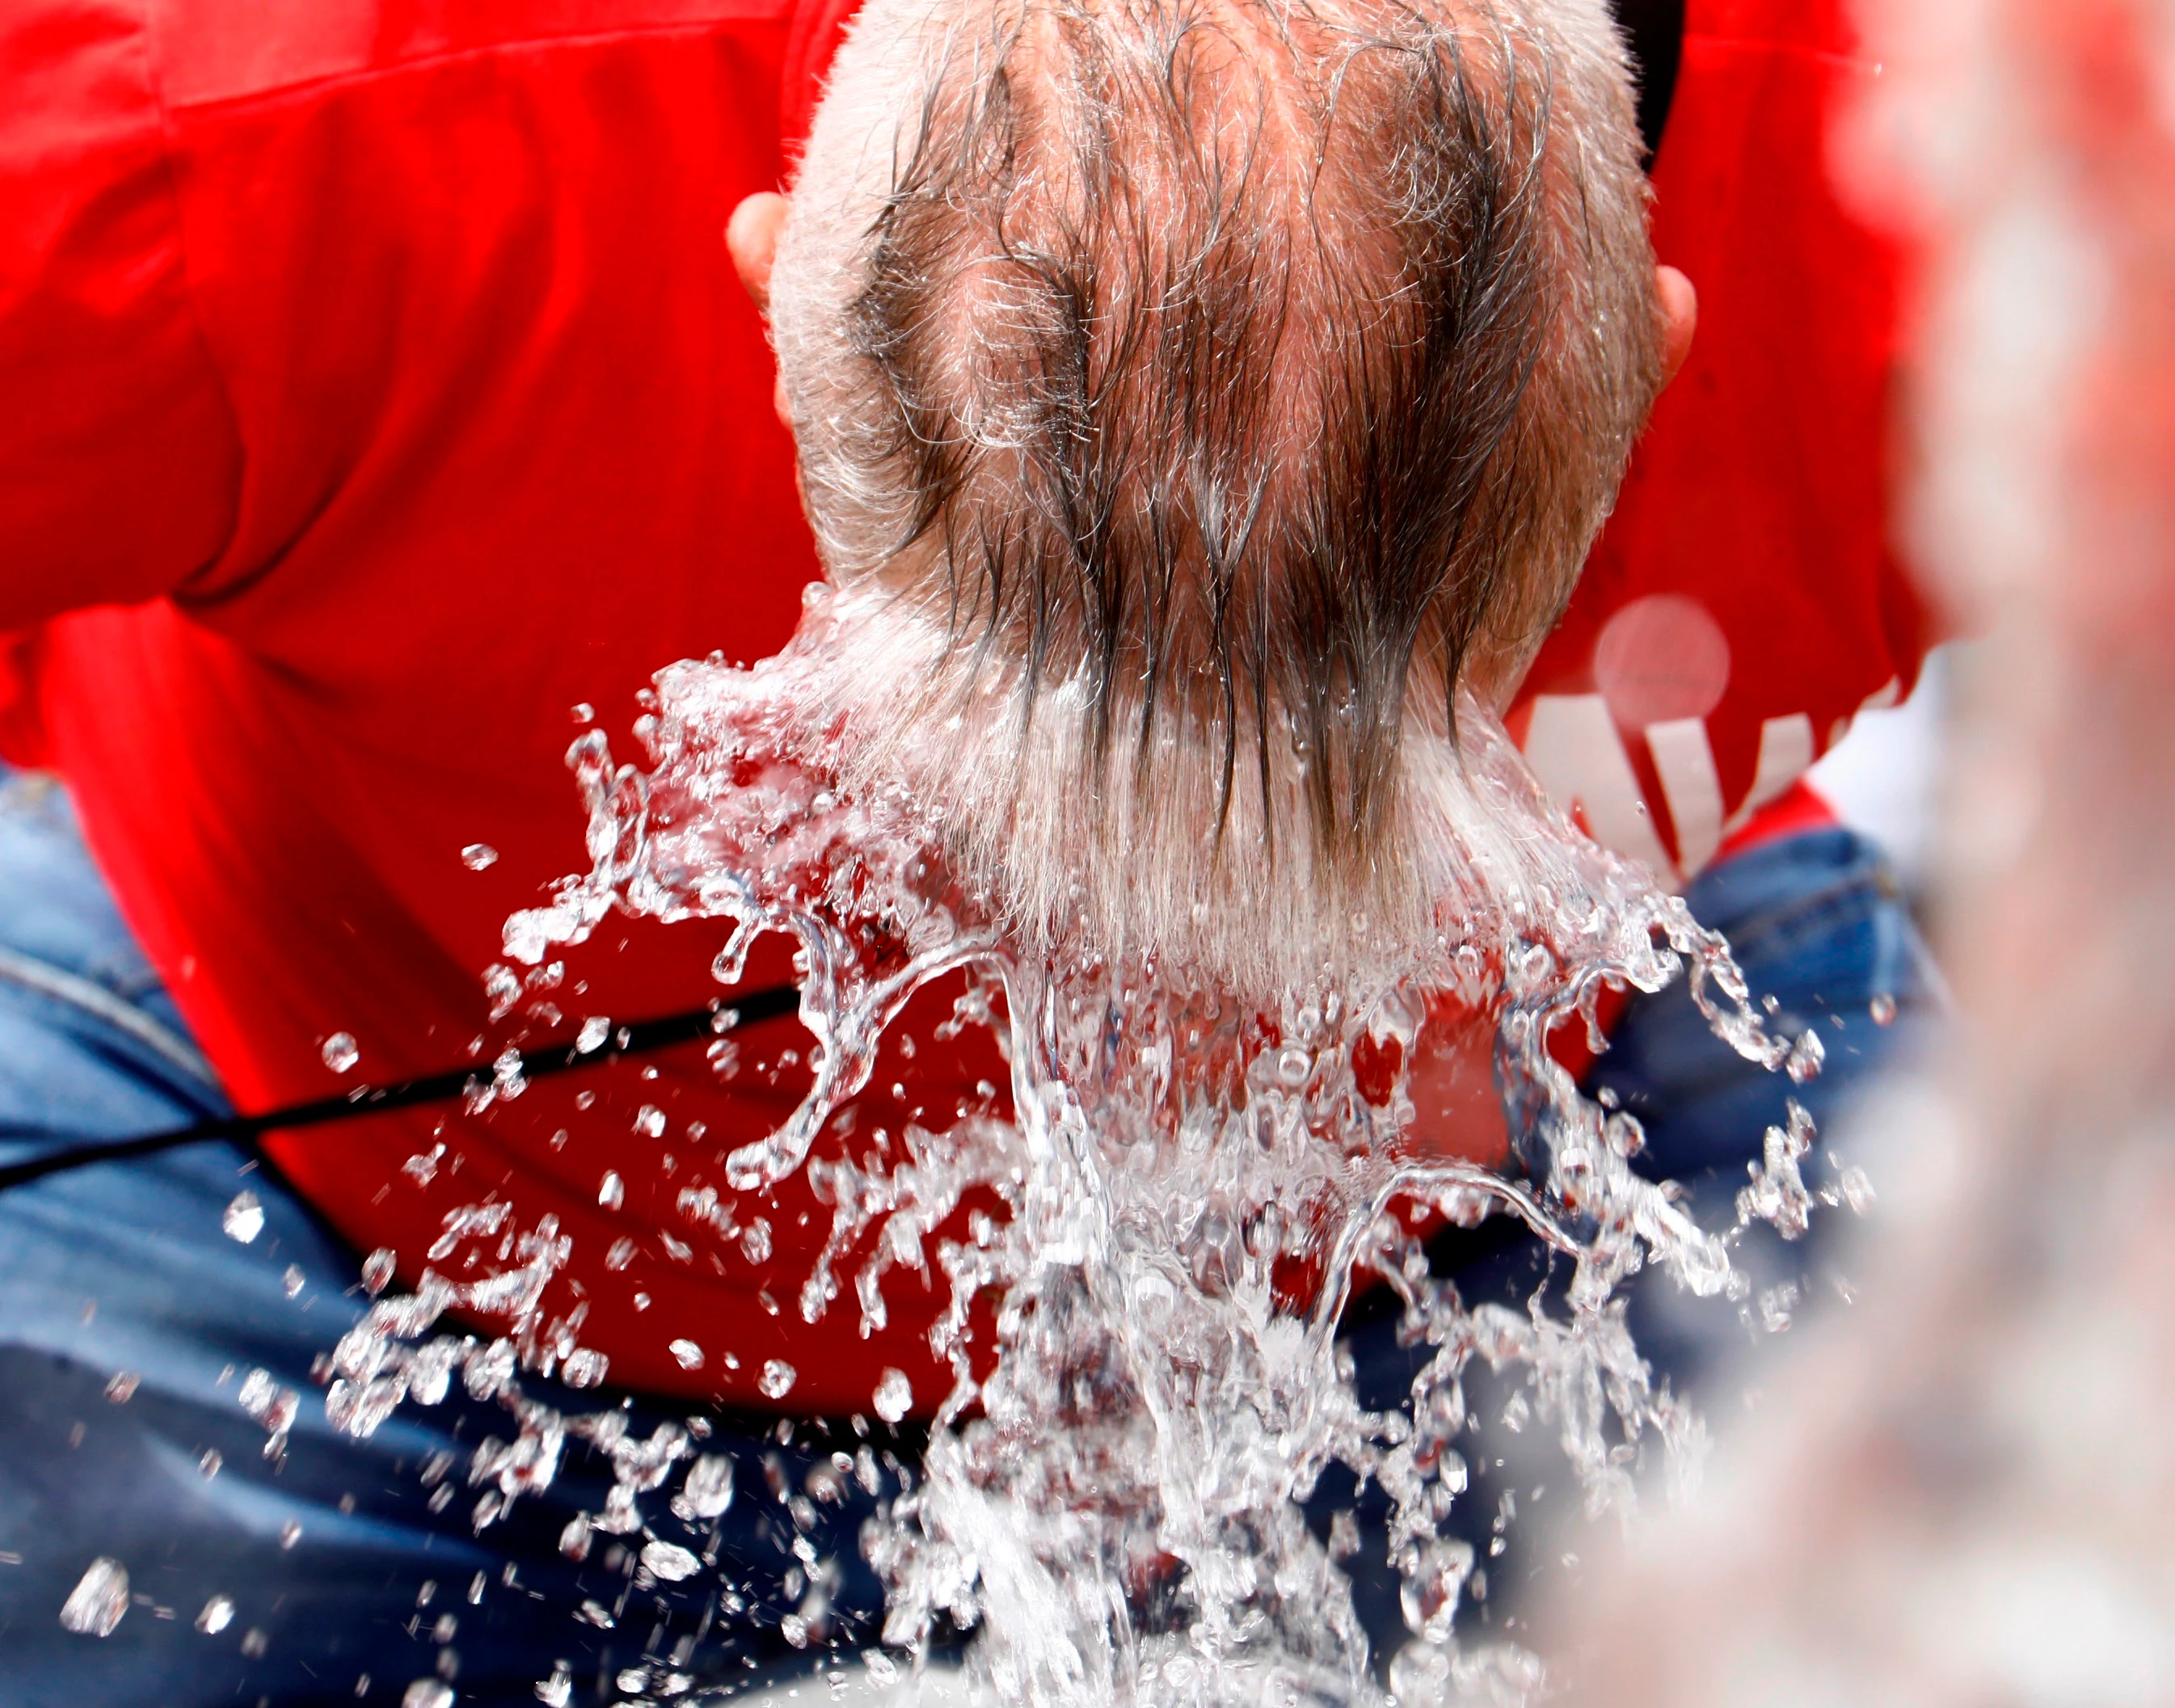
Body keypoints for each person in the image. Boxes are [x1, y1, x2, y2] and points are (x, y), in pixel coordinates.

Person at [0, 0, 1931, 1696]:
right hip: (311, 1200)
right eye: (1046, 761)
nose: (1160, 989)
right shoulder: (255, 132)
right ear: (769, 297)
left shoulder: (2008, 231)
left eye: (1346, 773)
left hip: (1532, 1176)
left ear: (1648, 361)